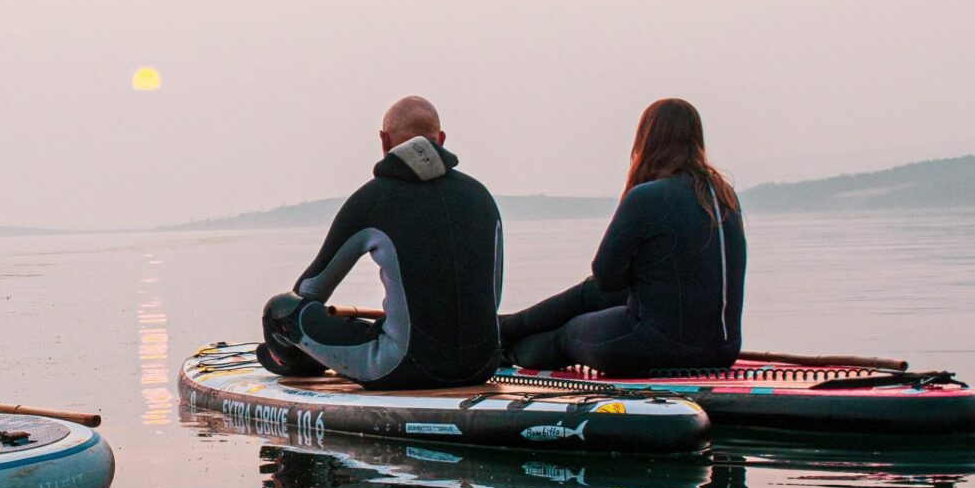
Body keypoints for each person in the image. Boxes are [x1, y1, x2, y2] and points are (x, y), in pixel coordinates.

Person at [256, 95, 503, 390]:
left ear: (384, 141)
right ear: (442, 139)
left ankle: (293, 364)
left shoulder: (372, 200)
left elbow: (310, 290)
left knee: (280, 310)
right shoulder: (482, 197)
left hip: (405, 367)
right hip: (484, 363)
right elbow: (492, 298)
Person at [499, 97, 746, 375]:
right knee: (593, 295)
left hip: (654, 348)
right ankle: (505, 327)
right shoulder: (724, 196)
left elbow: (606, 275)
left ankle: (503, 349)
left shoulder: (647, 196)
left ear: (646, 139)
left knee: (569, 332)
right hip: (724, 350)